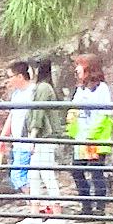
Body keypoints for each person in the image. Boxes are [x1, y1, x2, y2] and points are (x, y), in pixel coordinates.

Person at [5, 55, 69, 215]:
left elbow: (37, 115)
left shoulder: (42, 89)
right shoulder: (41, 88)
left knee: (46, 174)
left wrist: (32, 138)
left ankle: (56, 211)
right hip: (37, 138)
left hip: (42, 138)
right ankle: (36, 210)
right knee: (34, 175)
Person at [67, 50, 113, 217]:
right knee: (77, 170)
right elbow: (73, 108)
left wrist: (93, 134)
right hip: (81, 138)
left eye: (80, 67)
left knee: (96, 171)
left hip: (95, 138)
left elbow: (106, 114)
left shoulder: (102, 89)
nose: (77, 70)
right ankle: (86, 205)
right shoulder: (80, 90)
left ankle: (99, 208)